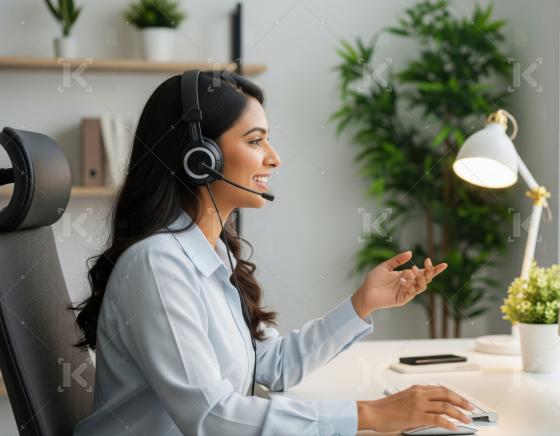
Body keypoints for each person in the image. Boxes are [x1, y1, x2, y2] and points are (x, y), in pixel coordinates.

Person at [71, 71, 473, 435]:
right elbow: (210, 418)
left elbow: (273, 366)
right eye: (256, 140)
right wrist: (369, 415)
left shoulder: (211, 254)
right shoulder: (157, 265)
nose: (274, 157)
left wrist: (362, 304)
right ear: (200, 158)